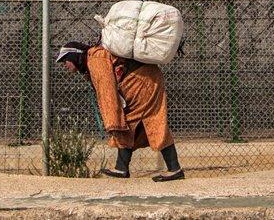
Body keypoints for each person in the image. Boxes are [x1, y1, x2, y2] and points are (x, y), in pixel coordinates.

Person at [56, 41, 184, 181]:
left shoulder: (95, 60)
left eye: (65, 59)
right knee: (132, 123)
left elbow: (107, 90)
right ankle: (123, 168)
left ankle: (172, 169)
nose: (65, 65)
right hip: (143, 79)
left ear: (75, 55)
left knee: (148, 122)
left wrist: (112, 121)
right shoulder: (93, 60)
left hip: (142, 82)